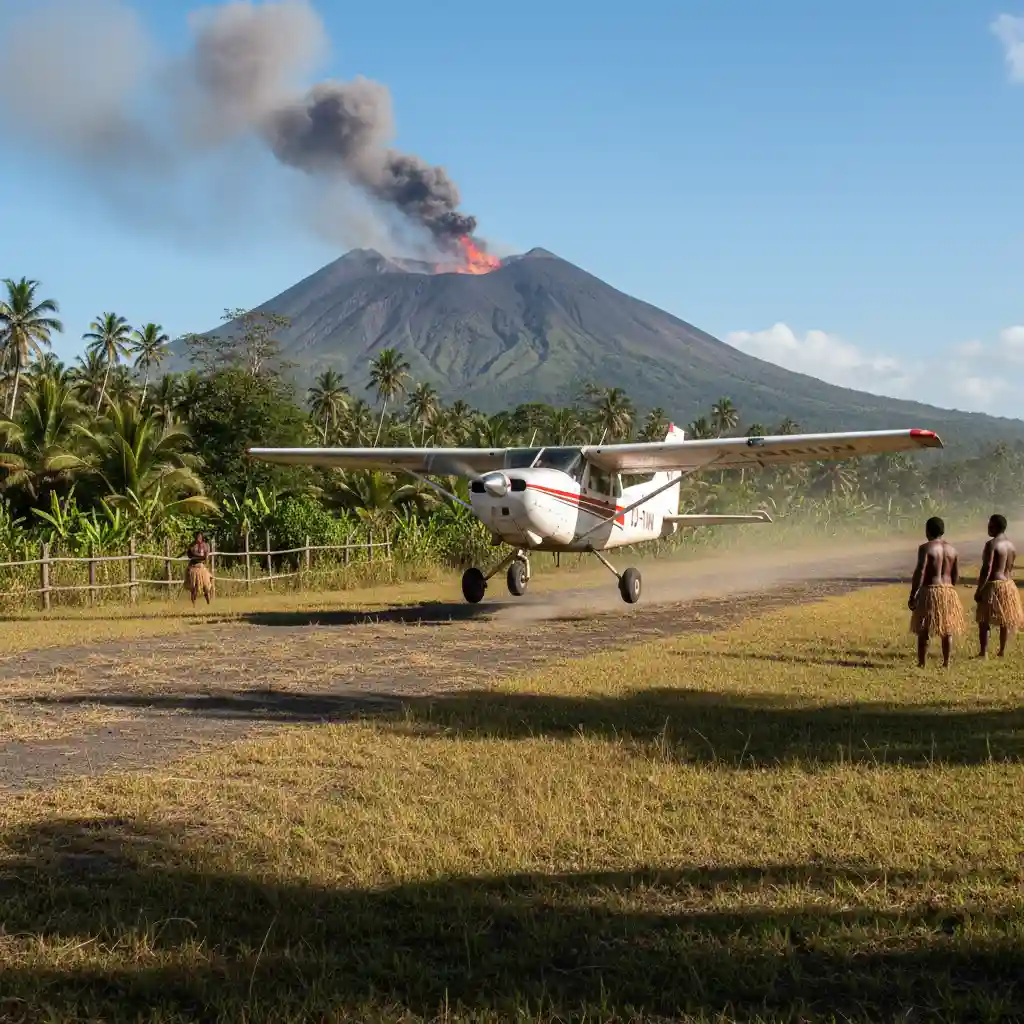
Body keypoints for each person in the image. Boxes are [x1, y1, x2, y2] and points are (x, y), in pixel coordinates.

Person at [908, 516, 965, 668]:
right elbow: (955, 576)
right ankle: (946, 662)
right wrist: (949, 591)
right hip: (948, 591)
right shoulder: (952, 550)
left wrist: (913, 593)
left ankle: (922, 663)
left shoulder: (925, 548)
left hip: (930, 591)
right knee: (947, 628)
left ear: (927, 531)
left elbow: (920, 571)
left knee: (924, 628)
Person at [974, 513, 1024, 657]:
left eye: (990, 524)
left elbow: (986, 569)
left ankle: (983, 652)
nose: (988, 527)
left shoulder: (991, 544)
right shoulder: (1011, 546)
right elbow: (1011, 566)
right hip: (1007, 584)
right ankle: (1001, 650)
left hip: (993, 585)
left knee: (983, 619)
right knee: (1005, 619)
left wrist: (980, 589)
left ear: (996, 527)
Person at [184, 531, 213, 606]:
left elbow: (206, 557)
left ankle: (208, 603)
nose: (198, 538)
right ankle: (194, 605)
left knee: (206, 587)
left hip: (201, 567)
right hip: (193, 567)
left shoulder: (206, 545)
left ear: (202, 538)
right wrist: (199, 556)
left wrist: (199, 556)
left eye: (200, 537)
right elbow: (190, 556)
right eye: (197, 537)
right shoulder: (192, 546)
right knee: (193, 588)